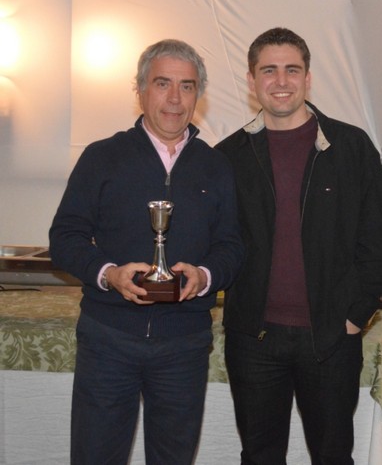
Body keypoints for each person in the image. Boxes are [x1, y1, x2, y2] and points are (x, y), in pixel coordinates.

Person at [49, 39, 244, 464]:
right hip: (108, 339)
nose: (175, 98)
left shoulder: (216, 166)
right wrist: (109, 273)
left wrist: (205, 276)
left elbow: (232, 246)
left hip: (184, 344)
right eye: (162, 83)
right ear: (140, 89)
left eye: (187, 86)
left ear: (198, 95)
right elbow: (64, 238)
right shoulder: (101, 157)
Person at [214, 28, 382, 464]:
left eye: (292, 70)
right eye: (269, 71)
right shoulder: (228, 156)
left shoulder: (351, 147)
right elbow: (217, 244)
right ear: (251, 80)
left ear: (308, 78)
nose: (281, 81)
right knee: (259, 456)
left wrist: (354, 317)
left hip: (332, 338)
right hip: (253, 340)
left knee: (333, 456)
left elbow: (381, 244)